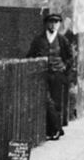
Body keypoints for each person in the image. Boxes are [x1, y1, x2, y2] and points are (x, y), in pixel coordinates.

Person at [27, 12, 72, 140]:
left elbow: (69, 57)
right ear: (47, 24)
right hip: (42, 75)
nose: (53, 25)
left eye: (56, 22)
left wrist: (64, 68)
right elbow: (30, 55)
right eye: (51, 22)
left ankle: (55, 130)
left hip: (57, 75)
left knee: (56, 102)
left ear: (59, 24)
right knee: (46, 101)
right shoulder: (38, 39)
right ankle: (56, 128)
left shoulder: (62, 40)